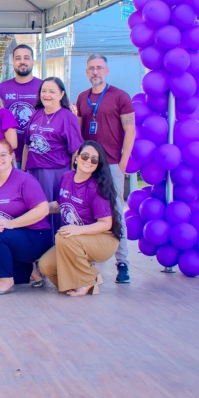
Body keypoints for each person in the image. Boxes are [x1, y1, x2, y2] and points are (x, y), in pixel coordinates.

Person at [75, 54, 135, 284]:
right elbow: (79, 133)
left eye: (99, 68)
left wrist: (123, 163)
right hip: (87, 164)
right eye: (91, 68)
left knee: (116, 212)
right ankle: (88, 260)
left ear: (107, 71)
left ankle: (122, 262)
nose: (95, 72)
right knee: (88, 211)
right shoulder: (82, 98)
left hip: (111, 163)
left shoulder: (120, 96)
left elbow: (130, 131)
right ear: (86, 72)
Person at [38, 141, 122, 296]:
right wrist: (35, 209)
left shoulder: (95, 187)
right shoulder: (66, 177)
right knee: (46, 265)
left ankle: (85, 281)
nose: (88, 161)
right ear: (77, 157)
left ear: (98, 164)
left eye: (94, 159)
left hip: (103, 239)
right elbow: (59, 205)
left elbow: (106, 223)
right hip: (77, 239)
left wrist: (77, 230)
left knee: (63, 236)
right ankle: (90, 276)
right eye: (85, 156)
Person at [0, 139, 51, 295]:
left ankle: (6, 280)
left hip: (35, 236)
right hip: (6, 238)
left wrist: (12, 224)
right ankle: (28, 269)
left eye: (3, 155)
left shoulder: (24, 180)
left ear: (11, 156)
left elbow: (43, 209)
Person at [22, 77, 83, 234]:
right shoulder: (36, 114)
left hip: (56, 173)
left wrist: (72, 178)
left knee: (52, 210)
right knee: (33, 209)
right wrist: (23, 172)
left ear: (61, 94)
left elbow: (76, 149)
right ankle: (36, 250)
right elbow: (27, 145)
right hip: (33, 171)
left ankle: (54, 247)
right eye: (44, 91)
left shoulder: (67, 117)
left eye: (52, 91)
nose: (47, 95)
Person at [0, 45, 43, 166]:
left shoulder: (44, 87)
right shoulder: (1, 89)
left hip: (38, 156)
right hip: (9, 157)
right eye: (18, 58)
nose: (22, 61)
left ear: (33, 61)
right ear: (13, 61)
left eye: (26, 58)